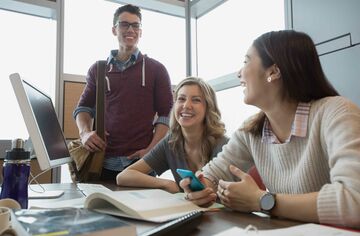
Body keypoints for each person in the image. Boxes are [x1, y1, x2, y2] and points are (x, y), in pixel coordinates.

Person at [180, 30, 360, 228]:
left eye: (246, 61)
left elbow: (354, 200)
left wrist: (262, 201)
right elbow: (211, 175)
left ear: (273, 72)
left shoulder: (337, 112)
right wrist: (200, 188)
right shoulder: (251, 130)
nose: (239, 73)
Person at [73, 4, 173, 181]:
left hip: (141, 164)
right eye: (124, 24)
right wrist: (85, 133)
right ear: (114, 29)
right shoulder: (98, 69)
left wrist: (151, 150)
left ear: (140, 32)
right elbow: (83, 108)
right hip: (101, 162)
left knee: (141, 208)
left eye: (136, 25)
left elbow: (167, 115)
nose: (131, 30)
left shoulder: (156, 69)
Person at [116, 77, 228, 193]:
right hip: (187, 210)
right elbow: (123, 176)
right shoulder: (171, 142)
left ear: (208, 107)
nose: (186, 105)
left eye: (196, 100)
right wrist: (166, 183)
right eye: (181, 99)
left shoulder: (225, 146)